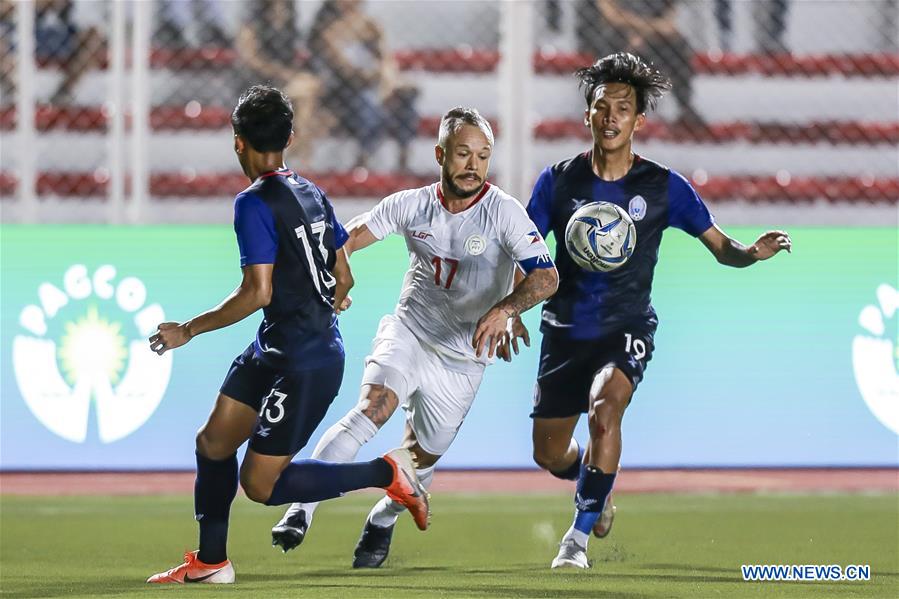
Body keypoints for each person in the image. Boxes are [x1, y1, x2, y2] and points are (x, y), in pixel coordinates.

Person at [145, 85, 429, 585]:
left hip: (305, 361)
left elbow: (257, 291)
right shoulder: (311, 190)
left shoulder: (253, 203)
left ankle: (387, 473)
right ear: (290, 137)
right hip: (279, 345)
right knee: (213, 443)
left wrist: (188, 329)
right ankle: (212, 563)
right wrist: (329, 296)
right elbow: (344, 276)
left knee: (259, 485)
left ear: (238, 142)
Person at [525, 53, 792, 569]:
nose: (610, 117)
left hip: (626, 326)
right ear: (587, 115)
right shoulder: (556, 182)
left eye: (622, 108)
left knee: (606, 411)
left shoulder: (664, 186)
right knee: (549, 453)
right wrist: (513, 308)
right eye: (601, 107)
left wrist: (750, 254)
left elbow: (720, 246)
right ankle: (594, 488)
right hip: (563, 330)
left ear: (638, 120)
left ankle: (576, 540)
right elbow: (527, 252)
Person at [270, 106, 559, 568]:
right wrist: (332, 278)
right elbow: (349, 238)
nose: (473, 165)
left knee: (418, 460)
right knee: (372, 407)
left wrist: (507, 309)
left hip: (464, 358)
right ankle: (300, 510)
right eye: (463, 153)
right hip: (410, 331)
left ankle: (382, 518)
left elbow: (546, 278)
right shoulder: (410, 205)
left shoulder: (504, 212)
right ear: (440, 154)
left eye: (483, 156)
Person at [308, 0, 418, 171]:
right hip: (344, 88)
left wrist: (388, 79)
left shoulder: (370, 24)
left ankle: (403, 160)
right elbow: (344, 68)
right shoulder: (328, 28)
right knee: (367, 101)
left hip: (375, 83)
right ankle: (364, 158)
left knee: (405, 98)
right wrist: (372, 75)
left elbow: (386, 58)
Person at [576, 0, 702, 125]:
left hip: (648, 33)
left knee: (677, 44)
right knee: (619, 39)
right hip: (611, 32)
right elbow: (611, 15)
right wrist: (643, 28)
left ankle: (684, 106)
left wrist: (644, 31)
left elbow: (669, 20)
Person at [235, 0, 321, 163]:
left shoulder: (289, 14)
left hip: (282, 80)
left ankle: (299, 149)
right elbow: (250, 58)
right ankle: (301, 155)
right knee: (308, 92)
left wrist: (291, 72)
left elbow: (294, 54)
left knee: (309, 92)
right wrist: (282, 72)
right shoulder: (253, 15)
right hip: (255, 82)